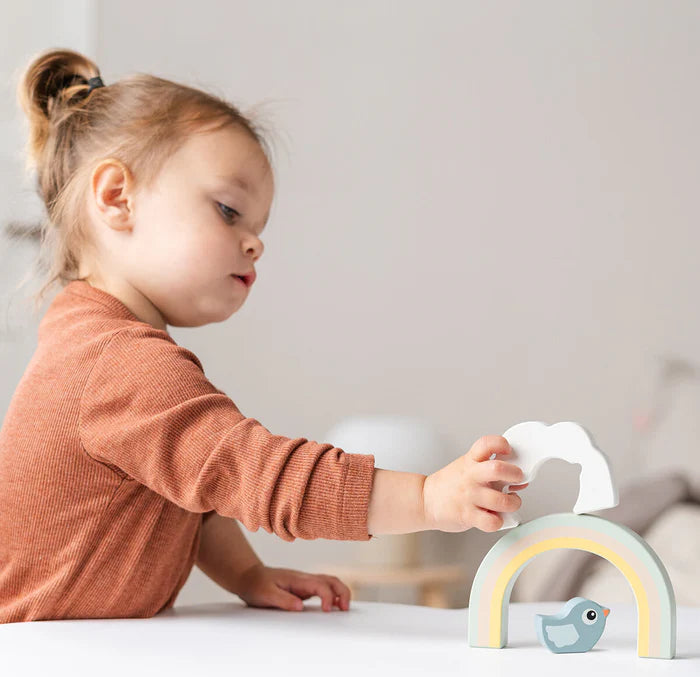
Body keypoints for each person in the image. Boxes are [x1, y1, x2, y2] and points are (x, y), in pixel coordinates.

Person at [0, 48, 528, 624]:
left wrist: (247, 573)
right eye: (229, 211)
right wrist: (427, 499)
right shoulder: (119, 361)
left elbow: (190, 493)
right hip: (41, 656)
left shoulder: (89, 340)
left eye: (258, 227)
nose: (255, 243)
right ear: (117, 198)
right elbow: (258, 473)